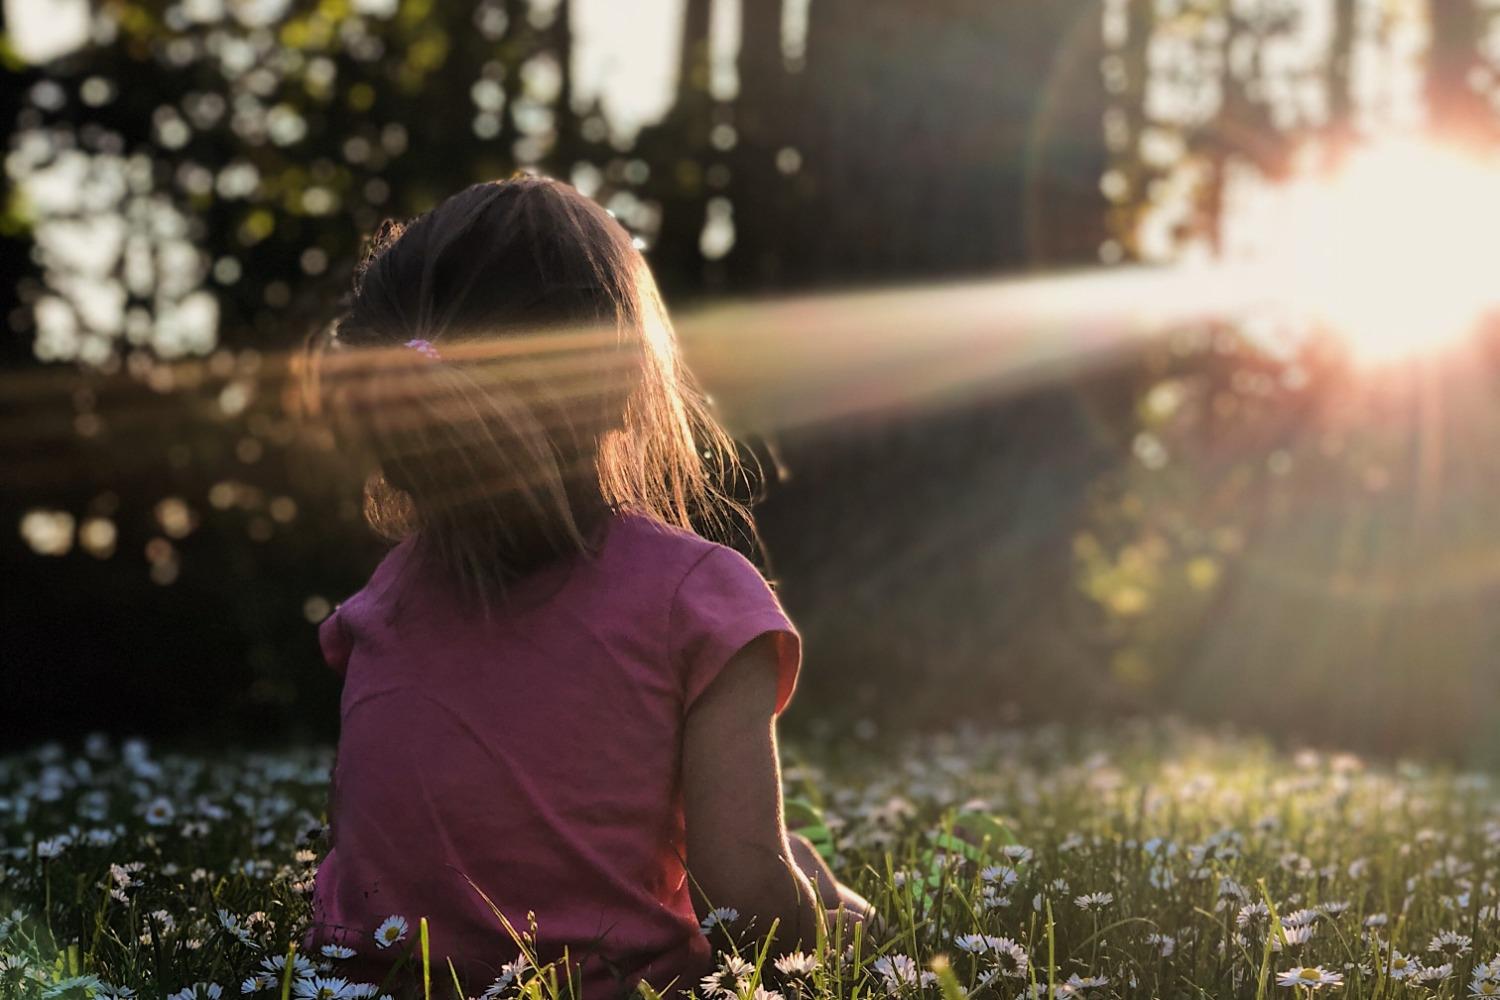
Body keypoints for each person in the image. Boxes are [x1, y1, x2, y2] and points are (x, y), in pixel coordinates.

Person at [299, 174, 873, 999]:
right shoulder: (698, 600)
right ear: (619, 382)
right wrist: (839, 923)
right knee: (799, 877)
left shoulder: (380, 604)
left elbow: (379, 860)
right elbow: (747, 909)